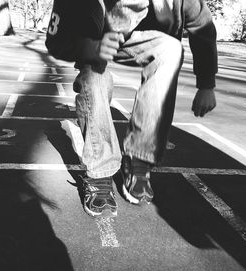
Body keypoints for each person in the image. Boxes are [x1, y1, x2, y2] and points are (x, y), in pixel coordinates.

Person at [46, 0, 218, 218]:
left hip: (141, 39)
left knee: (171, 49)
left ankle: (138, 158)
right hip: (95, 38)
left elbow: (203, 28)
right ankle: (100, 171)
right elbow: (56, 41)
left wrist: (206, 85)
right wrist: (91, 48)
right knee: (95, 76)